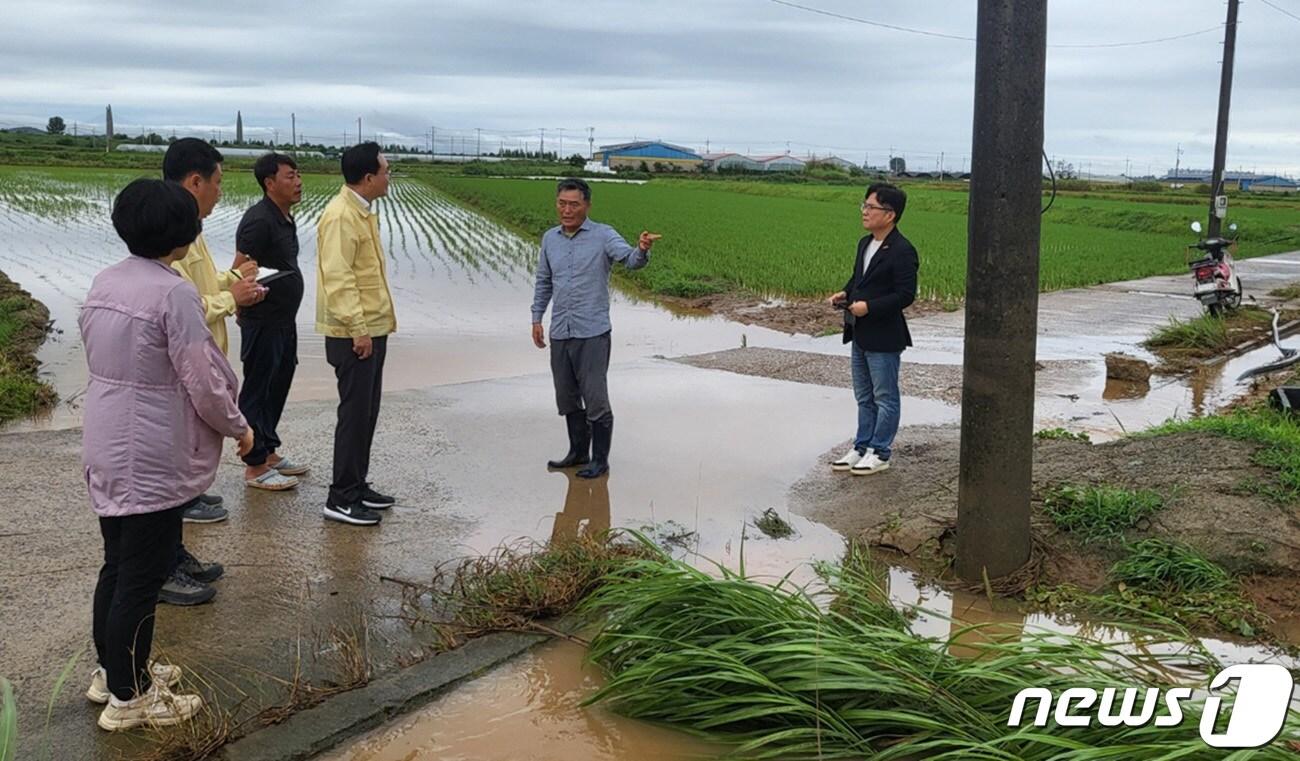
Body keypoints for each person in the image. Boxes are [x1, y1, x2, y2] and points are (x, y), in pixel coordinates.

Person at [81, 178, 252, 731]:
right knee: (143, 575)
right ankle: (130, 698)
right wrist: (240, 428)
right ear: (182, 233)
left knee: (118, 564)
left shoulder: (106, 281)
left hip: (108, 438)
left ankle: (113, 671)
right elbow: (203, 379)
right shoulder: (173, 292)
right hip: (150, 450)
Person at [160, 137, 264, 604]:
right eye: (218, 182)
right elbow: (183, 307)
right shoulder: (169, 233)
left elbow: (201, 287)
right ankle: (164, 569)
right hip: (185, 370)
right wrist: (230, 297)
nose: (221, 192)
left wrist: (231, 278)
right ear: (194, 181)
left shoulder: (191, 228)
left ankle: (174, 555)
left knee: (181, 472)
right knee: (169, 480)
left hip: (200, 359)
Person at [531, 178, 661, 479]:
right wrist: (537, 317)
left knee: (595, 397)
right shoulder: (550, 239)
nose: (567, 210)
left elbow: (630, 259)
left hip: (592, 332)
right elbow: (544, 281)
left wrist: (642, 249)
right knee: (566, 395)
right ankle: (578, 452)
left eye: (574, 204)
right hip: (560, 330)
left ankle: (600, 461)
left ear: (587, 205)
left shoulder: (603, 235)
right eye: (562, 203)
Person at [316, 142, 397, 526]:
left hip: (371, 329)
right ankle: (341, 497)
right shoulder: (340, 216)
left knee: (366, 413)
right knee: (354, 415)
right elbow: (339, 279)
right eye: (385, 171)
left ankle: (357, 485)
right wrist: (358, 329)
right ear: (368, 178)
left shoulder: (362, 212)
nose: (389, 177)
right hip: (354, 334)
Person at [828, 183, 919, 475]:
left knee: (885, 397)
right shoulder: (865, 243)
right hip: (860, 332)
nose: (864, 212)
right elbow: (859, 279)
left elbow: (905, 295)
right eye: (864, 206)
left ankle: (880, 452)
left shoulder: (902, 250)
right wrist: (845, 293)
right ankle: (861, 447)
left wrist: (869, 307)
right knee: (864, 397)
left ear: (889, 214)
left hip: (884, 335)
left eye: (871, 207)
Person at [235, 153, 309, 490]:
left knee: (278, 383)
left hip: (283, 319)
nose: (298, 182)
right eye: (290, 176)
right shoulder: (259, 220)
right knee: (258, 388)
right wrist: (241, 305)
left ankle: (267, 450)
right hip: (263, 319)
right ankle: (254, 466)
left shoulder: (283, 217)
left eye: (298, 175)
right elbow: (241, 267)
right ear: (269, 183)